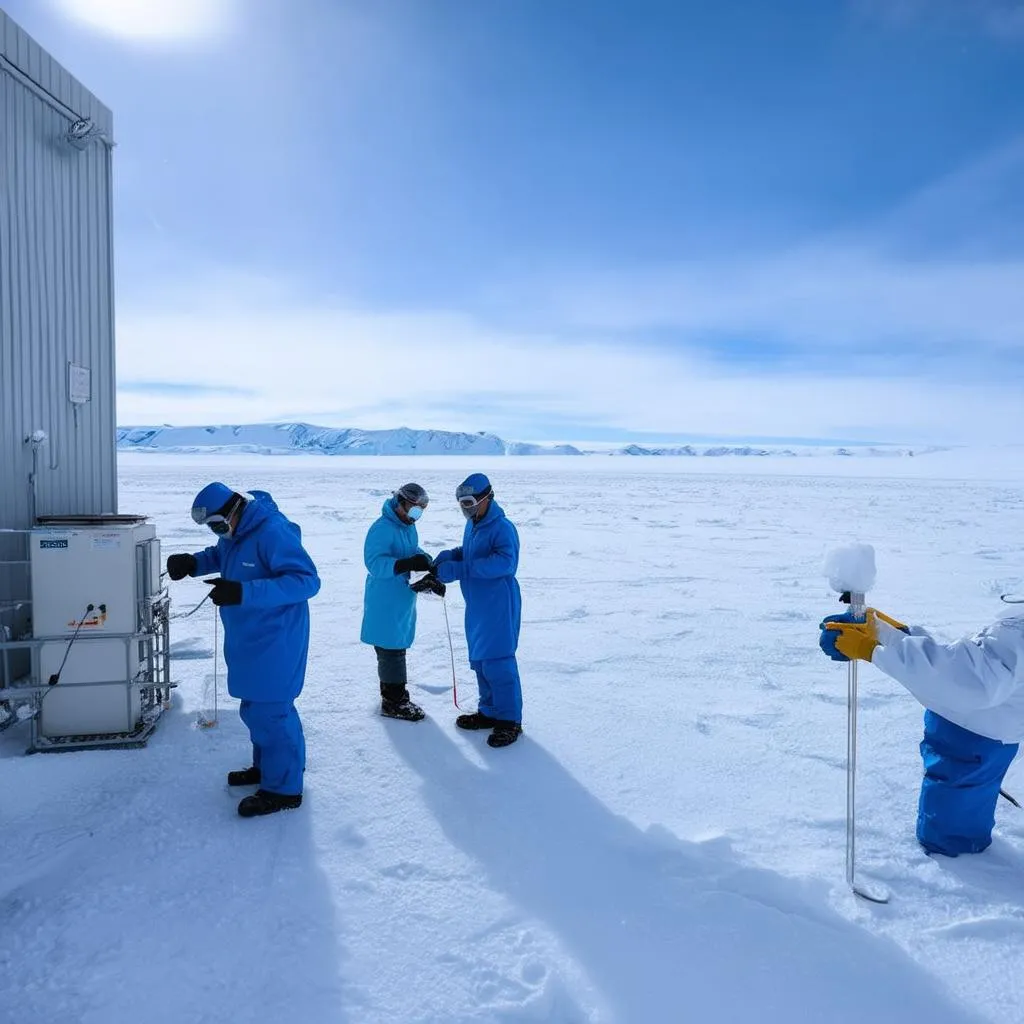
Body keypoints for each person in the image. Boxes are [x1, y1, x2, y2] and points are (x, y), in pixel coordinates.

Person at [165, 482, 321, 818]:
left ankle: (284, 790)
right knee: (255, 708)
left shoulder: (273, 532)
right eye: (213, 528)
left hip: (277, 640)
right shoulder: (237, 531)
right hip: (250, 638)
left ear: (237, 508)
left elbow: (306, 580)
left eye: (220, 525)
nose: (219, 532)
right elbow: (222, 554)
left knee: (272, 712)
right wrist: (193, 563)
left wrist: (243, 592)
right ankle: (268, 769)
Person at [820, 604, 1024, 856]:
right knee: (966, 791)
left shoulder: (1017, 634)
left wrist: (872, 650)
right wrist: (886, 631)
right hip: (976, 728)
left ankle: (960, 861)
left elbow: (963, 681)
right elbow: (959, 661)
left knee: (953, 818)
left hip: (974, 736)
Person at [430, 473, 523, 748]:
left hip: (498, 605)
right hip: (477, 605)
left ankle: (509, 720)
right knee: (480, 660)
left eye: (469, 501)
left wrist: (460, 569)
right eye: (461, 502)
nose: (465, 507)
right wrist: (453, 554)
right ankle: (490, 712)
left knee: (498, 661)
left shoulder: (502, 527)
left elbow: (505, 563)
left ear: (487, 497)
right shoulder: (473, 525)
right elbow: (471, 552)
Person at [361, 483, 443, 722]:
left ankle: (396, 696)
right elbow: (374, 563)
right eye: (414, 508)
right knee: (390, 650)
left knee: (397, 646)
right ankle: (394, 702)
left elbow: (409, 549)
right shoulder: (382, 528)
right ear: (400, 503)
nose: (417, 514)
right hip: (385, 599)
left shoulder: (407, 526)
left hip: (401, 598)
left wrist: (424, 560)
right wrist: (405, 565)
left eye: (421, 509)